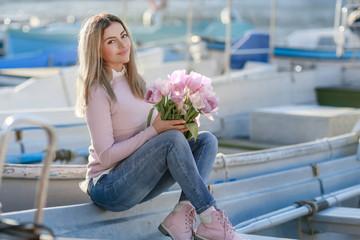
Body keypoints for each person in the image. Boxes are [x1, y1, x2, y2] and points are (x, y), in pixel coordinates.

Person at [75, 13, 243, 240]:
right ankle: (210, 217)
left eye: (124, 36)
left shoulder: (134, 82)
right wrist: (156, 131)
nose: (123, 44)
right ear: (96, 49)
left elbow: (151, 138)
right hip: (108, 186)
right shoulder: (97, 90)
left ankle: (181, 214)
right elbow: (105, 157)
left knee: (205, 141)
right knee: (170, 139)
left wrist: (179, 118)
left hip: (138, 179)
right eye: (111, 41)